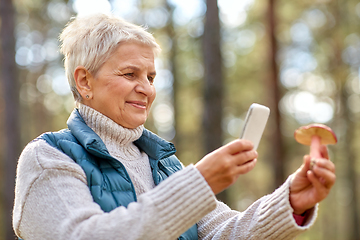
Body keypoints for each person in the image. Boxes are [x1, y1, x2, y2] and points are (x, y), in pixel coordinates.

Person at [12, 14, 336, 240]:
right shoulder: (47, 158)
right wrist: (199, 183)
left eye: (150, 77)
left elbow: (227, 233)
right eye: (130, 74)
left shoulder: (165, 164)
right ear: (85, 81)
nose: (147, 89)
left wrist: (291, 201)